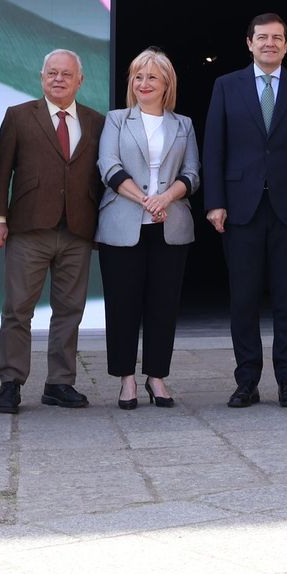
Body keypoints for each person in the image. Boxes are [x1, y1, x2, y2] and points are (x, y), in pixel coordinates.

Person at [205, 13, 287, 408]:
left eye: (277, 38)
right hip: (240, 209)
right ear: (249, 43)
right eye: (262, 37)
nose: (269, 43)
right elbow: (214, 148)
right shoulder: (226, 86)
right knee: (243, 299)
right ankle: (247, 382)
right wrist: (215, 202)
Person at [0, 49, 104, 414]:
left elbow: (101, 178)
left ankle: (59, 383)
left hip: (78, 230)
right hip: (29, 227)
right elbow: (0, 171)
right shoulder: (19, 117)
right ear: (40, 78)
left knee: (70, 309)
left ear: (79, 80)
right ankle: (10, 382)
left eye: (66, 74)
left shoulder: (96, 121)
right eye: (51, 73)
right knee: (18, 309)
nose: (58, 79)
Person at [96, 48, 198, 410]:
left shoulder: (183, 124)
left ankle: (157, 377)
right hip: (123, 224)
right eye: (137, 77)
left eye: (151, 77)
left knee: (163, 305)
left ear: (166, 83)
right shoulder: (117, 119)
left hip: (170, 226)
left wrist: (166, 197)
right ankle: (126, 380)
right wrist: (146, 200)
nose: (143, 83)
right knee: (123, 305)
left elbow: (192, 173)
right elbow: (108, 166)